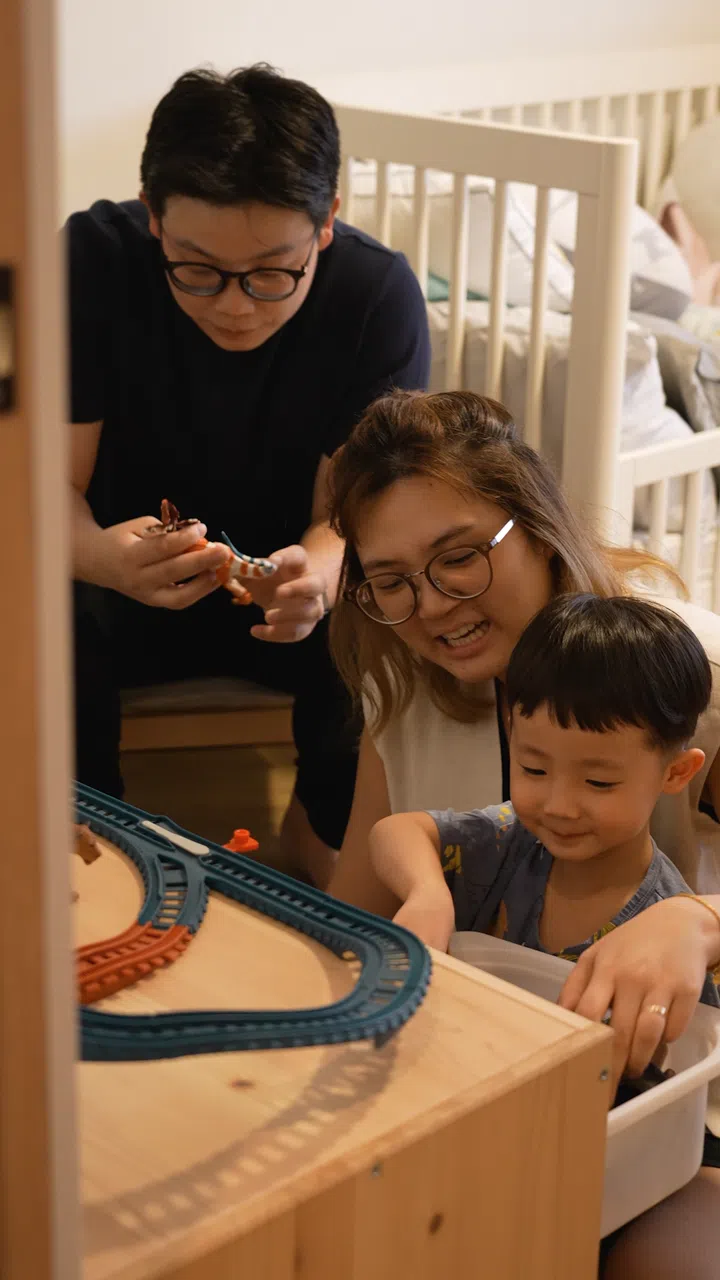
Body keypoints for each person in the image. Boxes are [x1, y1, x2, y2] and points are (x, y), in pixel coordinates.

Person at [326, 389, 720, 1278]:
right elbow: (354, 912)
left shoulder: (687, 678)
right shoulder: (407, 704)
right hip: (479, 1099)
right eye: (391, 581)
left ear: (535, 528)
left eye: (458, 559)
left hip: (660, 1123)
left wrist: (697, 920)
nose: (431, 605)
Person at [67, 64, 430, 888]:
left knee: (381, 591)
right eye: (196, 268)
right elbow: (44, 488)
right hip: (113, 593)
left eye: (273, 272)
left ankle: (319, 842)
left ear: (327, 224)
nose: (235, 305)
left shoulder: (375, 297)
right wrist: (96, 557)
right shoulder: (91, 262)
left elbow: (352, 516)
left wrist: (319, 577)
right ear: (154, 218)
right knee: (37, 592)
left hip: (289, 611)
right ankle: (92, 848)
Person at [369, 594, 718, 1015]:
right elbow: (395, 831)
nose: (559, 806)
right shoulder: (511, 840)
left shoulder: (666, 935)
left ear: (676, 773)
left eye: (598, 781)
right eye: (534, 769)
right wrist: (427, 894)